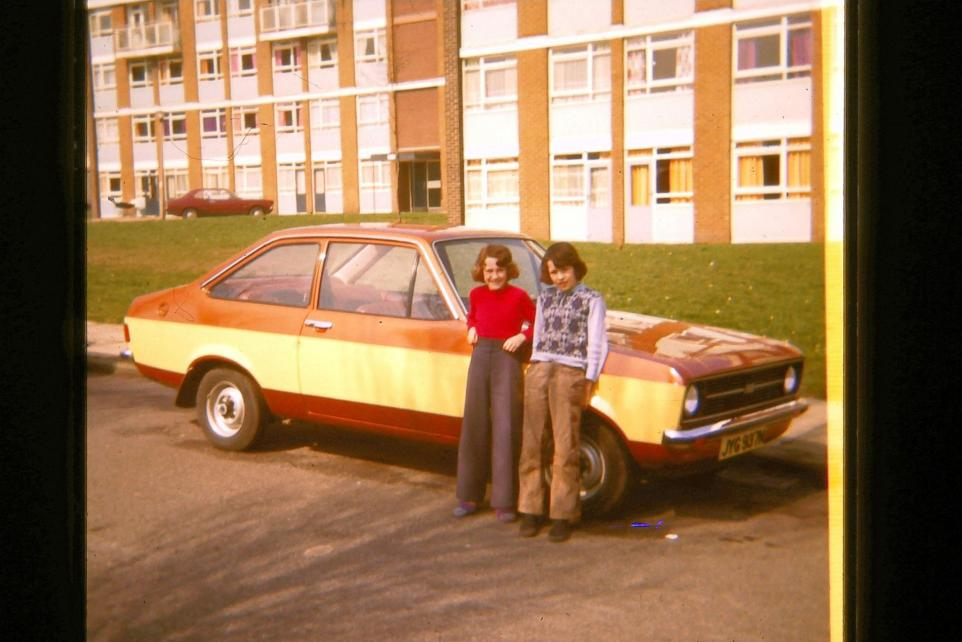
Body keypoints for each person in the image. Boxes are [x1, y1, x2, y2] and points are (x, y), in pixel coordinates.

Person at [517, 242, 608, 542]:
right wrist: (535, 367)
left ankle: (562, 514)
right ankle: (530, 510)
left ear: (576, 268)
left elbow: (597, 342)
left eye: (564, 270)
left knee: (565, 445)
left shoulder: (592, 299)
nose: (559, 277)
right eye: (553, 272)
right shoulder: (545, 298)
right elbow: (538, 337)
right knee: (531, 442)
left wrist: (589, 378)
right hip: (541, 369)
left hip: (570, 372)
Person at [453, 244, 536, 523]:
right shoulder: (476, 294)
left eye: (499, 270)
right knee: (474, 423)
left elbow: (537, 323)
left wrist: (522, 336)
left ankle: (505, 500)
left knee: (506, 426)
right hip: (480, 356)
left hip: (506, 359)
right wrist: (471, 328)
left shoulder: (519, 296)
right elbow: (473, 317)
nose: (494, 276)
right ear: (481, 271)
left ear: (508, 271)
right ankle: (469, 496)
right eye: (489, 270)